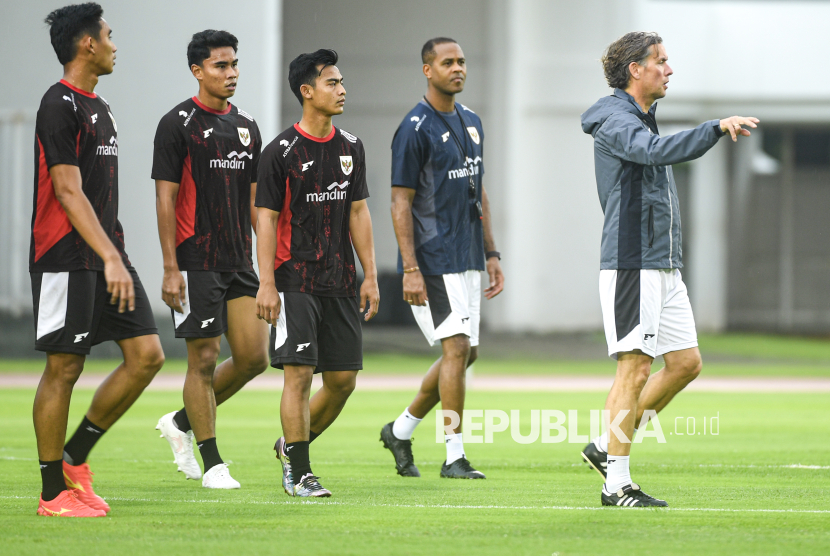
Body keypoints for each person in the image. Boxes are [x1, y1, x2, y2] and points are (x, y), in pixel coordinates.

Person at [580, 31, 758, 507]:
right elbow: (653, 152)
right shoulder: (616, 120)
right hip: (633, 263)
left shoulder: (641, 117)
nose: (669, 69)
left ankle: (603, 446)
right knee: (634, 368)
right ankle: (616, 483)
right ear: (635, 70)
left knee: (685, 364)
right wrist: (715, 127)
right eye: (661, 61)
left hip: (663, 264)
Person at [32, 2, 165, 517]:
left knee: (147, 354)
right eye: (108, 35)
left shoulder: (100, 107)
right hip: (66, 255)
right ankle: (51, 495)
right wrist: (109, 255)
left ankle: (75, 456)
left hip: (106, 251)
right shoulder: (57, 103)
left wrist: (114, 252)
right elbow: (67, 190)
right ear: (87, 43)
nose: (114, 44)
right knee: (64, 368)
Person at [256, 49, 379, 497]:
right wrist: (266, 282)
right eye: (332, 82)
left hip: (341, 280)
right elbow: (266, 219)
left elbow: (359, 212)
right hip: (294, 280)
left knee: (343, 381)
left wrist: (370, 274)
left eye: (341, 82)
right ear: (307, 92)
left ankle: (292, 445)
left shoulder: (352, 147)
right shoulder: (280, 152)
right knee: (300, 375)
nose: (342, 89)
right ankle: (300, 472)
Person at [379, 38, 504, 480]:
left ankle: (401, 428)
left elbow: (479, 188)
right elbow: (399, 202)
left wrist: (491, 251)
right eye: (447, 62)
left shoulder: (471, 122)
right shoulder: (414, 128)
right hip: (432, 260)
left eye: (462, 61)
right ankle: (454, 456)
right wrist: (409, 268)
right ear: (427, 70)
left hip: (468, 254)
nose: (458, 68)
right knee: (455, 350)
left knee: (466, 354)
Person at [152, 30, 268, 489]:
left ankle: (180, 421)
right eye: (221, 65)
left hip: (239, 258)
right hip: (194, 256)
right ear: (198, 71)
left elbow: (259, 204)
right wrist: (168, 267)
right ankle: (213, 462)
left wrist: (270, 270)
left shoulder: (248, 126)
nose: (232, 72)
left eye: (235, 63)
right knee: (202, 359)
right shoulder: (176, 124)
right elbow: (165, 199)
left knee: (254, 358)